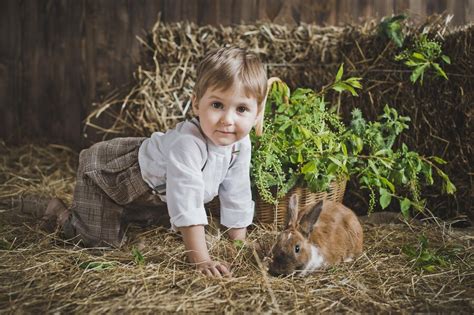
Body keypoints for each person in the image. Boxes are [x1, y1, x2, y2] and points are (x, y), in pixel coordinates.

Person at [41, 46, 268, 277]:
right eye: (217, 105)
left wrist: (240, 245)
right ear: (197, 104)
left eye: (241, 109)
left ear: (257, 114)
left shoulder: (240, 144)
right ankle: (58, 212)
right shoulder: (188, 144)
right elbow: (187, 202)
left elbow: (237, 192)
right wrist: (202, 260)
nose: (227, 120)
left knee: (141, 229)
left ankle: (121, 216)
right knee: (98, 245)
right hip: (109, 178)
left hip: (152, 194)